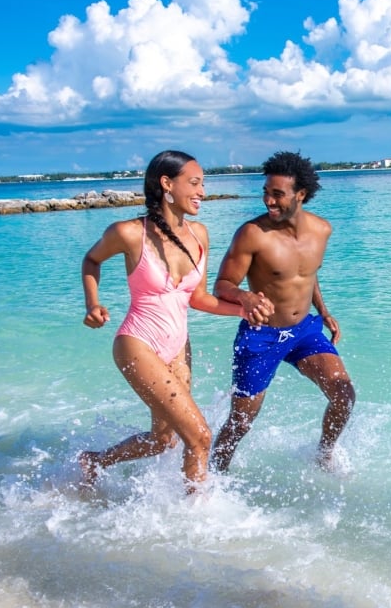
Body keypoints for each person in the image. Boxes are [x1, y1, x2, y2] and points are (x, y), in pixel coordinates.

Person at [79, 150, 272, 492]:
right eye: (195, 183)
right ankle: (196, 519)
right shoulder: (128, 233)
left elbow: (197, 298)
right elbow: (92, 260)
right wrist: (93, 304)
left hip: (178, 347)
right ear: (167, 184)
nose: (202, 192)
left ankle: (94, 461)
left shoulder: (199, 234)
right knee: (200, 435)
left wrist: (244, 309)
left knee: (163, 440)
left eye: (203, 184)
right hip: (138, 343)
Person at [210, 151, 355, 472]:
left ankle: (323, 454)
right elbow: (222, 284)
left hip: (304, 330)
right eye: (266, 193)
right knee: (240, 422)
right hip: (260, 336)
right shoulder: (253, 234)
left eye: (277, 194)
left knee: (344, 395)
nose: (268, 201)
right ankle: (210, 480)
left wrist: (324, 310)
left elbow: (306, 273)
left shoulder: (322, 230)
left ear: (300, 194)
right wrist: (243, 296)